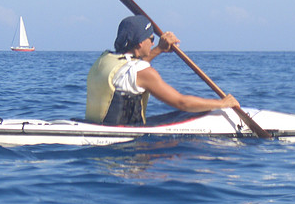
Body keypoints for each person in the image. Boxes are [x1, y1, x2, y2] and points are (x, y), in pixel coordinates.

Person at [86, 14, 240, 125]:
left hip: (98, 133)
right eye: (151, 39)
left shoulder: (105, 59)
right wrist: (222, 104)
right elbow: (182, 103)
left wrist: (160, 49)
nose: (152, 43)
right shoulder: (144, 73)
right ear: (140, 43)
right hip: (127, 149)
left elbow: (130, 71)